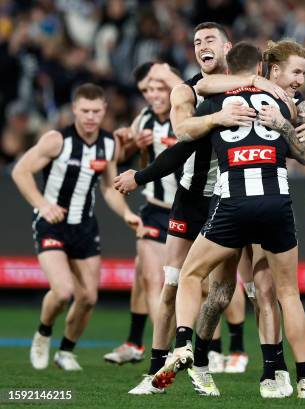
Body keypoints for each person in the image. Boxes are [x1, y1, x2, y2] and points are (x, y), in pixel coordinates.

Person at [152, 41, 305, 399]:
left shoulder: (210, 99)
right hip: (276, 203)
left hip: (230, 203)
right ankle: (303, 380)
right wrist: (303, 119)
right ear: (264, 68)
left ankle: (188, 346)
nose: (301, 80)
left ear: (227, 58)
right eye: (298, 73)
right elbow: (304, 153)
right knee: (276, 291)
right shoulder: (280, 102)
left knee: (197, 278)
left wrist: (140, 176)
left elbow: (181, 135)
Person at [12, 83, 142, 371]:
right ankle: (43, 334)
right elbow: (21, 170)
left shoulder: (109, 144)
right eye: (85, 111)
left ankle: (66, 352)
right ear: (74, 110)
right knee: (62, 291)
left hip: (84, 226)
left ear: (104, 110)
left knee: (88, 297)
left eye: (96, 111)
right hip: (51, 224)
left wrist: (126, 214)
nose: (90, 117)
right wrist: (42, 204)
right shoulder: (56, 140)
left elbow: (109, 188)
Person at [105, 63, 180, 365]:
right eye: (147, 91)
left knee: (183, 284)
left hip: (188, 212)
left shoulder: (186, 112)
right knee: (150, 278)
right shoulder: (145, 118)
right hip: (154, 210)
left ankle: (142, 344)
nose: (152, 95)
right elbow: (120, 156)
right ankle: (161, 351)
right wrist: (129, 143)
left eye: (158, 88)